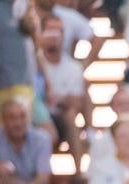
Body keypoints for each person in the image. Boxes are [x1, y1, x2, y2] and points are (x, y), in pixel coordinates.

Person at [36, 14, 90, 171]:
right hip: (37, 117)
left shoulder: (74, 67)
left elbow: (77, 102)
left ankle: (78, 174)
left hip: (60, 118)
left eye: (59, 31)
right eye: (50, 30)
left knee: (70, 117)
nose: (54, 36)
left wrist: (58, 99)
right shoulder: (32, 61)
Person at [0, 98, 51, 184]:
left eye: (22, 116)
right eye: (12, 118)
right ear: (3, 120)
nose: (18, 123)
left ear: (29, 118)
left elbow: (43, 176)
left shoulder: (42, 139)